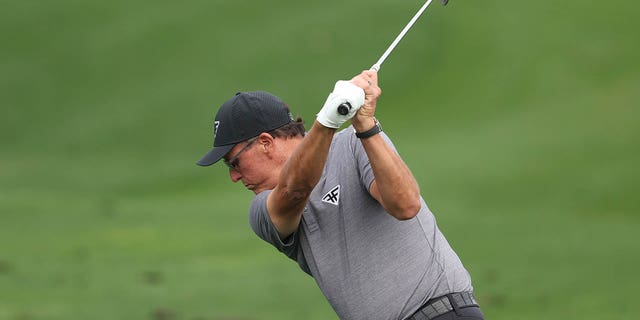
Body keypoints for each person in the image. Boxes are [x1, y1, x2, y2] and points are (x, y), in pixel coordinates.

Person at [197, 70, 485, 320]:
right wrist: (328, 121)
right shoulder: (262, 209)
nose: (234, 177)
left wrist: (365, 125)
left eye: (234, 162)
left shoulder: (354, 144)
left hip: (442, 313)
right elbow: (295, 190)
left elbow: (406, 205)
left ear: (265, 143)